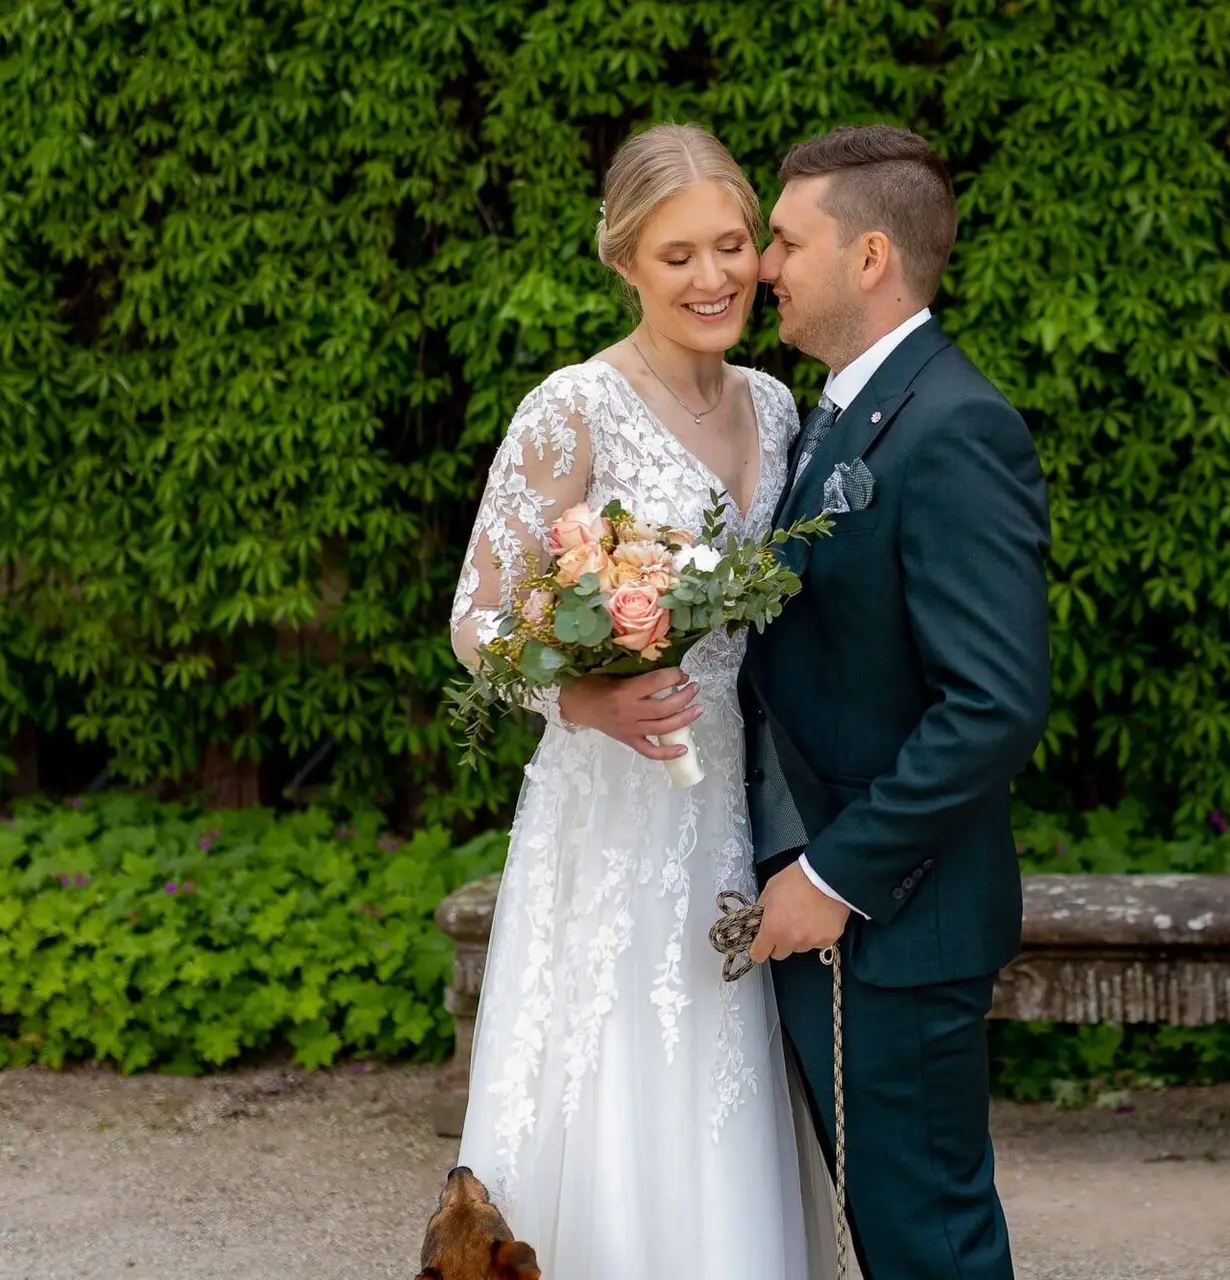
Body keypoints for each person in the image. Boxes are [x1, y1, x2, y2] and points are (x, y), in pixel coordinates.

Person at [448, 123, 827, 1277]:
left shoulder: (774, 406)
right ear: (624, 261)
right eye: (678, 256)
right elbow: (479, 617)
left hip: (735, 806)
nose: (714, 278)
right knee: (606, 1070)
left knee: (722, 1074)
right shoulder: (573, 408)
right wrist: (587, 700)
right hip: (608, 810)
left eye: (731, 245)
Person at [740, 124, 1053, 1279]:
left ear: (870, 256)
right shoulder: (837, 412)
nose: (764, 265)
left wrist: (836, 874)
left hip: (896, 918)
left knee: (930, 1242)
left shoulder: (956, 426)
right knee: (887, 1232)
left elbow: (995, 700)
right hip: (834, 909)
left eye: (785, 239)